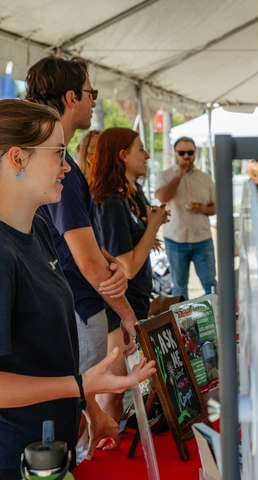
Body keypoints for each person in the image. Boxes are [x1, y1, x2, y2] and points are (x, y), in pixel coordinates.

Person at [0, 99, 156, 479]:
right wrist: (82, 385)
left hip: (53, 448)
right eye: (57, 153)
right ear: (18, 159)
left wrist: (89, 406)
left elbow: (51, 349)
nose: (67, 166)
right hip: (15, 460)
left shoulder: (37, 229)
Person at [26, 56, 138, 373]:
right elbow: (85, 260)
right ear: (71, 98)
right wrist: (128, 315)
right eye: (92, 94)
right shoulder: (58, 169)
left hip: (67, 304)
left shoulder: (54, 163)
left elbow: (70, 238)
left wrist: (107, 260)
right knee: (82, 411)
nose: (93, 102)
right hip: (77, 307)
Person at [89, 128, 169, 421]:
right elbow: (128, 266)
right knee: (111, 392)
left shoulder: (125, 197)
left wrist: (151, 226)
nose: (147, 155)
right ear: (123, 156)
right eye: (140, 150)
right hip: (119, 309)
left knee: (118, 390)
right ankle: (98, 447)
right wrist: (153, 227)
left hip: (132, 303)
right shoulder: (111, 204)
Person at [155, 136, 217, 299]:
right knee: (179, 286)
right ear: (175, 154)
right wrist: (179, 176)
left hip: (202, 239)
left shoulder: (205, 178)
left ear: (195, 153)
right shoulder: (165, 176)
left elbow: (215, 207)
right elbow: (162, 197)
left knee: (210, 283)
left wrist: (202, 208)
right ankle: (182, 323)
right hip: (176, 239)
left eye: (190, 152)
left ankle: (215, 318)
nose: (186, 156)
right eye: (181, 153)